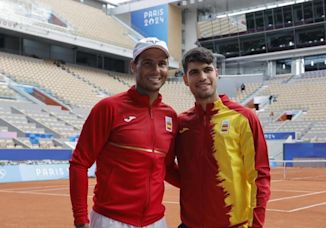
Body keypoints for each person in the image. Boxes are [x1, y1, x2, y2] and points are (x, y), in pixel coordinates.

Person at [69, 37, 177, 228]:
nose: (156, 70)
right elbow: (79, 163)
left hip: (156, 221)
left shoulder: (170, 116)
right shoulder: (108, 108)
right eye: (148, 63)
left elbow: (166, 167)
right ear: (133, 67)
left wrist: (204, 183)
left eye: (162, 64)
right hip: (112, 220)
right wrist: (80, 219)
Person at [166, 47, 270, 227]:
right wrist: (193, 184)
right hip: (190, 224)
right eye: (194, 72)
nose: (202, 77)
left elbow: (260, 177)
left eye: (207, 69)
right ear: (185, 79)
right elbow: (166, 167)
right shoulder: (181, 122)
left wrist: (256, 225)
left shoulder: (243, 117)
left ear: (217, 73)